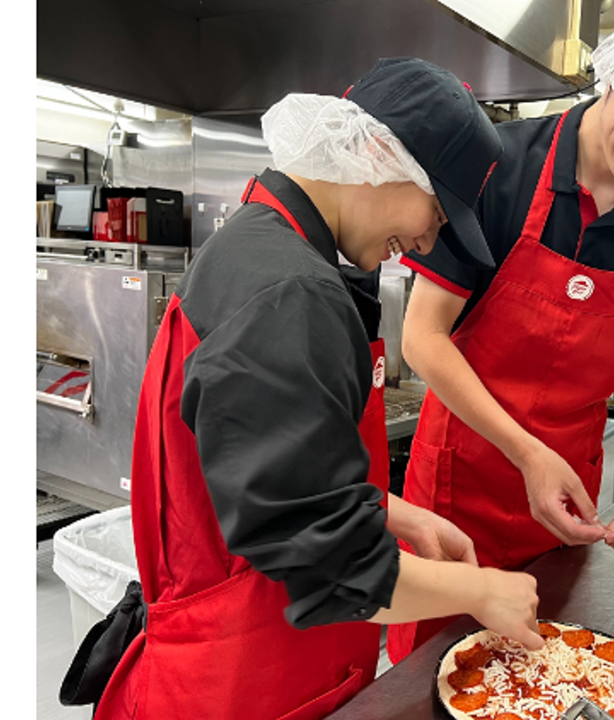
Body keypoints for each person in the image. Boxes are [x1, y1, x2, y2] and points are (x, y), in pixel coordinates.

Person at [85, 58, 543, 720]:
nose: (424, 240)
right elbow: (332, 565)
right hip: (239, 684)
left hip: (247, 662)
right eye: (437, 213)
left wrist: (395, 513)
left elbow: (266, 474)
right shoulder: (290, 292)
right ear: (382, 157)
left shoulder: (256, 242)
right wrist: (479, 592)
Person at [388, 0, 614, 663]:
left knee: (540, 669)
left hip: (565, 506)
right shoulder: (499, 166)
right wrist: (525, 452)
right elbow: (422, 337)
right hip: (454, 491)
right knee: (430, 676)